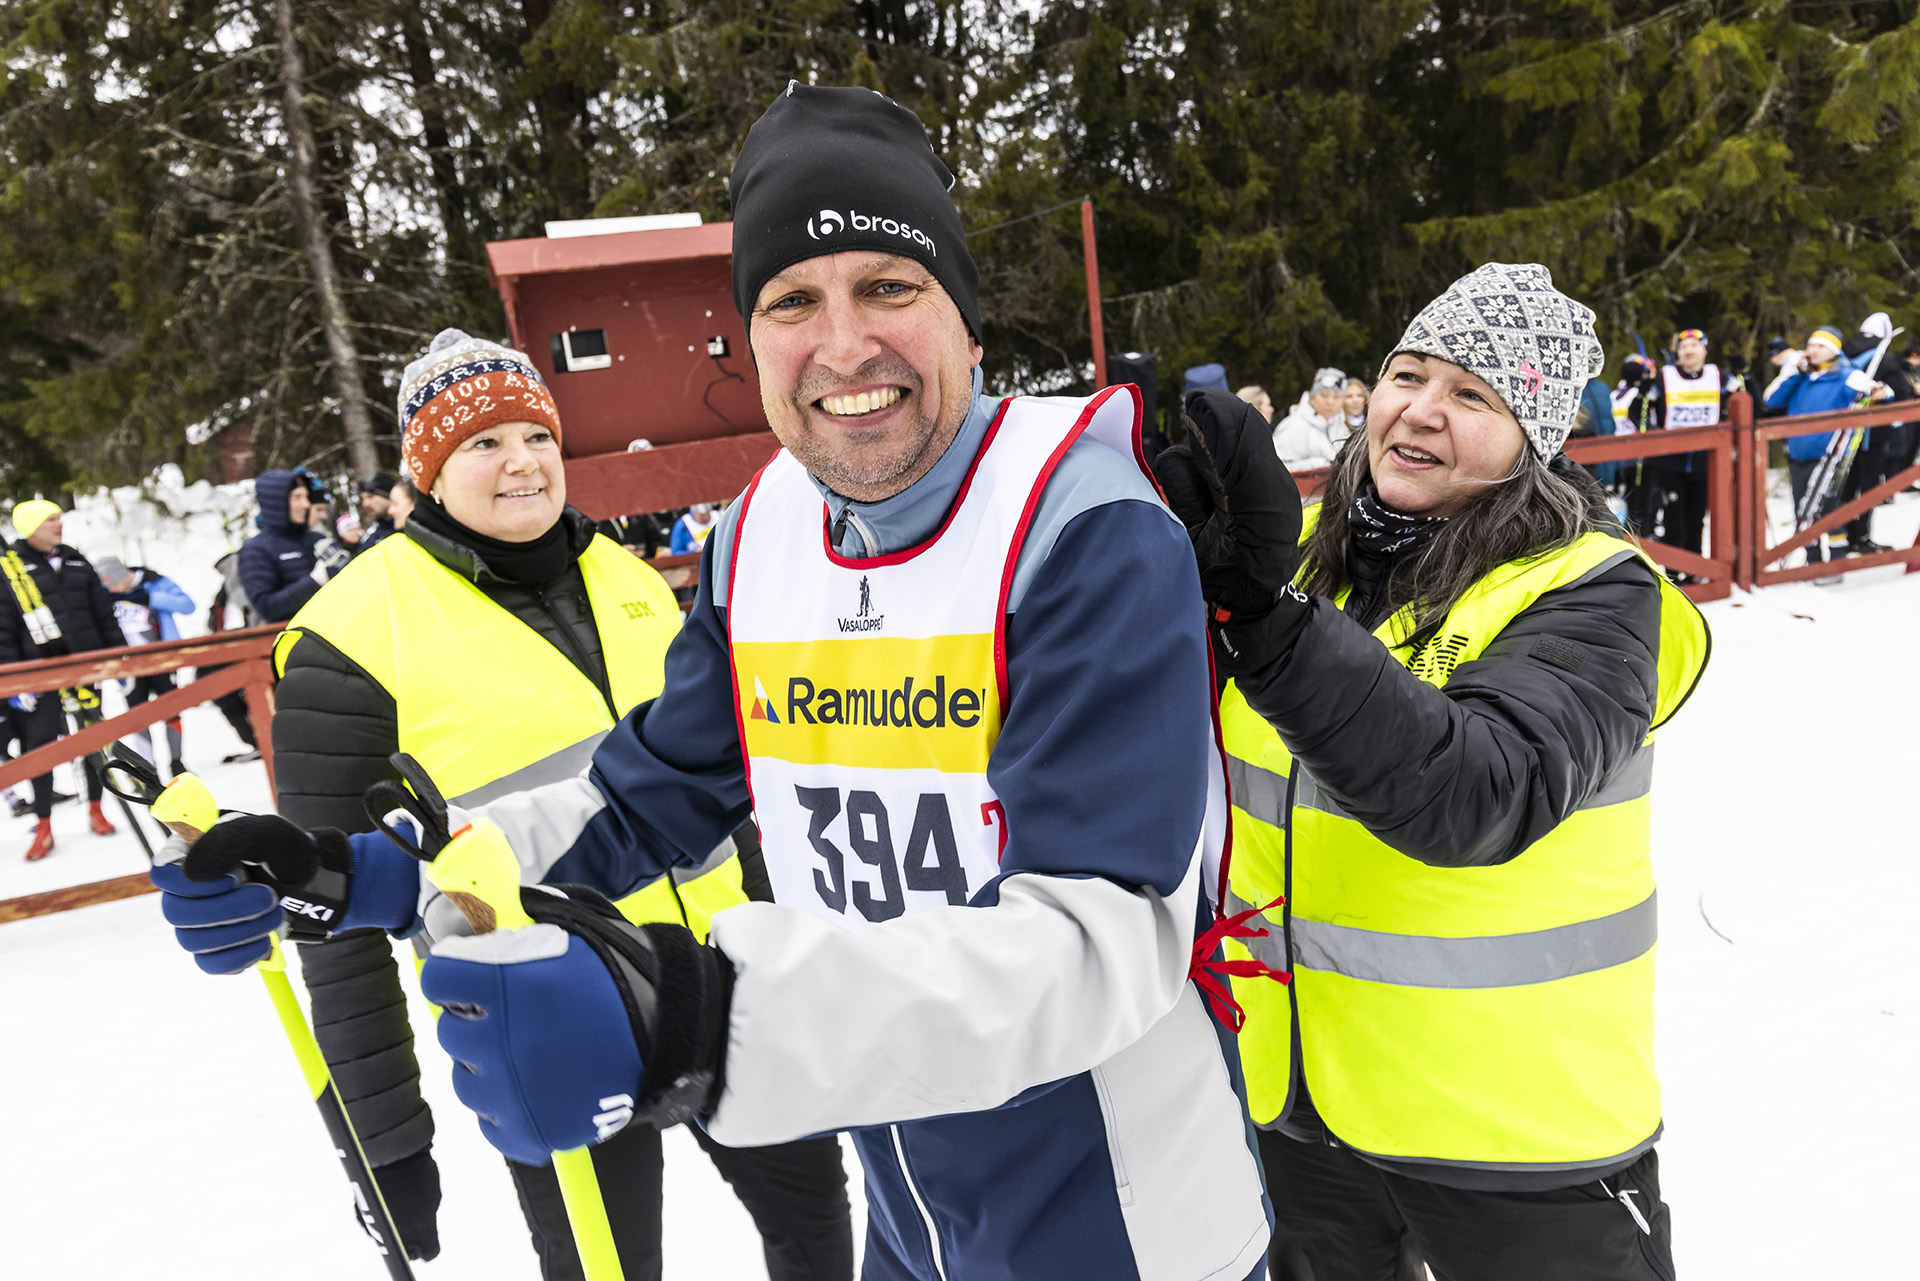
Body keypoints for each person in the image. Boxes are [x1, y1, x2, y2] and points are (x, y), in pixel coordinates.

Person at [159, 83, 1271, 1281]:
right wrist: (374, 871)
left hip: (1114, 1213)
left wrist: (694, 1018)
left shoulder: (1082, 523)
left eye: (889, 287)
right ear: (751, 341)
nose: (843, 346)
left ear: (967, 320)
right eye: (793, 301)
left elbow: (1102, 939)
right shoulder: (763, 534)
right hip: (903, 1194)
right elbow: (653, 791)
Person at [1153, 261, 1710, 1281]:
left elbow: (1475, 795)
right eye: (1408, 375)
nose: (1421, 411)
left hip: (1519, 1139)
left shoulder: (1594, 593)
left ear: (1532, 439)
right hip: (1300, 1105)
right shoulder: (1307, 564)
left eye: (1473, 395)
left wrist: (1268, 618)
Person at [0, 499, 126, 860]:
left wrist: (121, 660)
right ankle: (43, 825)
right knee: (41, 749)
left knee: (92, 740)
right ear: (30, 527)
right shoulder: (10, 567)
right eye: (50, 519)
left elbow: (103, 613)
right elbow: (3, 627)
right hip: (38, 675)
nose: (59, 524)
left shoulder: (75, 559)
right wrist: (13, 680)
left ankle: (96, 809)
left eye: (59, 518)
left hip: (85, 669)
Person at [1765, 326, 1865, 565]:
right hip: (1799, 452)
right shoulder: (1801, 377)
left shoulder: (1846, 374)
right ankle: (1813, 560)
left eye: (1821, 346)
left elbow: (1877, 391)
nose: (1813, 351)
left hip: (1829, 454)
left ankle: (1838, 558)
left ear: (1833, 350)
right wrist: (1796, 373)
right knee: (1802, 507)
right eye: (1811, 345)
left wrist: (1881, 392)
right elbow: (1771, 400)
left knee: (1829, 508)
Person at [1635, 328, 1736, 559]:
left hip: (1705, 460)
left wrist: (1745, 375)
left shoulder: (1720, 377)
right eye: (1683, 347)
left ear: (1705, 350)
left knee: (1697, 519)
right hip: (1670, 462)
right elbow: (1638, 411)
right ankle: (1674, 571)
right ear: (1677, 353)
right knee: (1674, 519)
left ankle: (1695, 571)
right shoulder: (1663, 377)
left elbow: (1749, 402)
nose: (1688, 350)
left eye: (1694, 345)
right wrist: (1651, 433)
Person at [96, 555, 194, 777]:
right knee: (138, 716)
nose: (112, 591)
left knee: (171, 709)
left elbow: (187, 605)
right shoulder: (104, 596)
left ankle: (177, 762)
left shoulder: (153, 582)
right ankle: (147, 767)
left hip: (161, 659)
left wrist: (150, 598)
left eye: (114, 585)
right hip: (128, 666)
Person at [1835, 313, 1914, 554]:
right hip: (1872, 433)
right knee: (1868, 485)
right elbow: (1901, 394)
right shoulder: (1886, 358)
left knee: (1847, 484)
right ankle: (1861, 536)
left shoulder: (1843, 354)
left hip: (1843, 432)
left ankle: (1842, 534)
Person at [236, 468, 340, 624]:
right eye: (297, 497)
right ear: (276, 502)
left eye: (306, 497)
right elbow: (267, 608)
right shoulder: (256, 550)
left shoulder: (317, 539)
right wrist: (316, 580)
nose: (306, 504)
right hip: (298, 641)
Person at [1273, 366, 1353, 469]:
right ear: (1312, 398)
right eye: (1324, 395)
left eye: (1336, 397)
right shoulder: (1295, 425)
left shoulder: (1341, 427)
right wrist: (1319, 465)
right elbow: (1275, 467)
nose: (1330, 402)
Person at [358, 473, 399, 548]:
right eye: (362, 499)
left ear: (388, 495)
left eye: (370, 497)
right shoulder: (371, 542)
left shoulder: (415, 523)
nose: (365, 504)